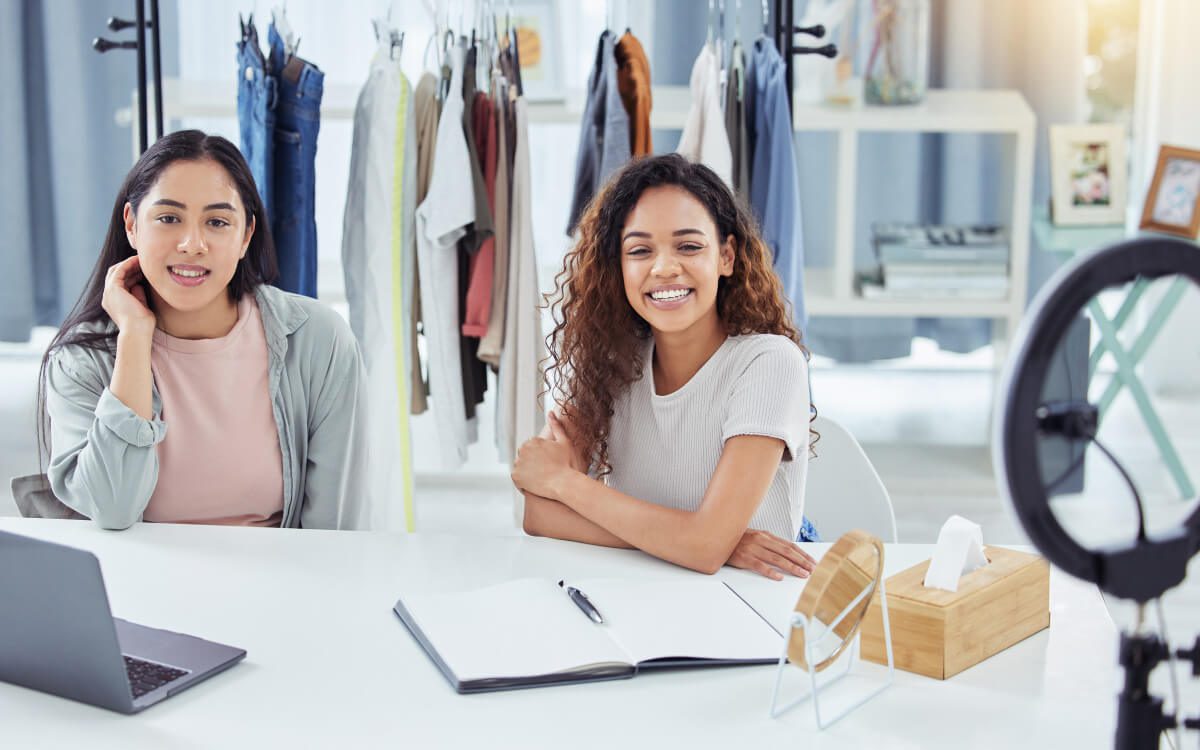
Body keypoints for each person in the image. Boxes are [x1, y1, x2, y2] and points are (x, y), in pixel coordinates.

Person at [37, 130, 366, 530]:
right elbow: (112, 507)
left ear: (246, 235)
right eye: (169, 218)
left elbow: (334, 532)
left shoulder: (320, 341)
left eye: (217, 222)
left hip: (280, 585)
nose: (193, 244)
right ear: (131, 225)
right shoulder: (79, 361)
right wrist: (135, 338)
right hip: (139, 586)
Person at [511, 154, 817, 580]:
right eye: (640, 250)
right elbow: (539, 515)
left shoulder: (770, 363)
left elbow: (705, 547)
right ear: (618, 266)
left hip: (753, 603)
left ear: (726, 256)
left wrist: (564, 482)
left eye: (689, 246)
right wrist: (707, 542)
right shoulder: (608, 361)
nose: (664, 268)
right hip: (638, 593)